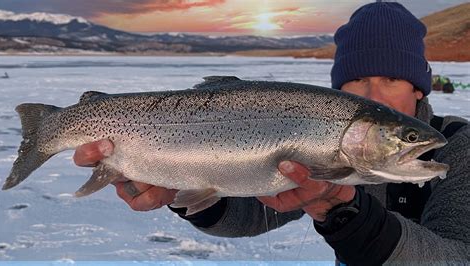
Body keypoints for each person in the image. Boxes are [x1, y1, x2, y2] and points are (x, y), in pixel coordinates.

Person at [73, 2, 469, 265]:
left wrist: (341, 213)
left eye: (392, 78)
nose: (373, 93)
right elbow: (252, 212)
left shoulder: (459, 148)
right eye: (357, 79)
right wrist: (176, 183)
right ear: (340, 92)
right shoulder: (329, 150)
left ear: (418, 87)